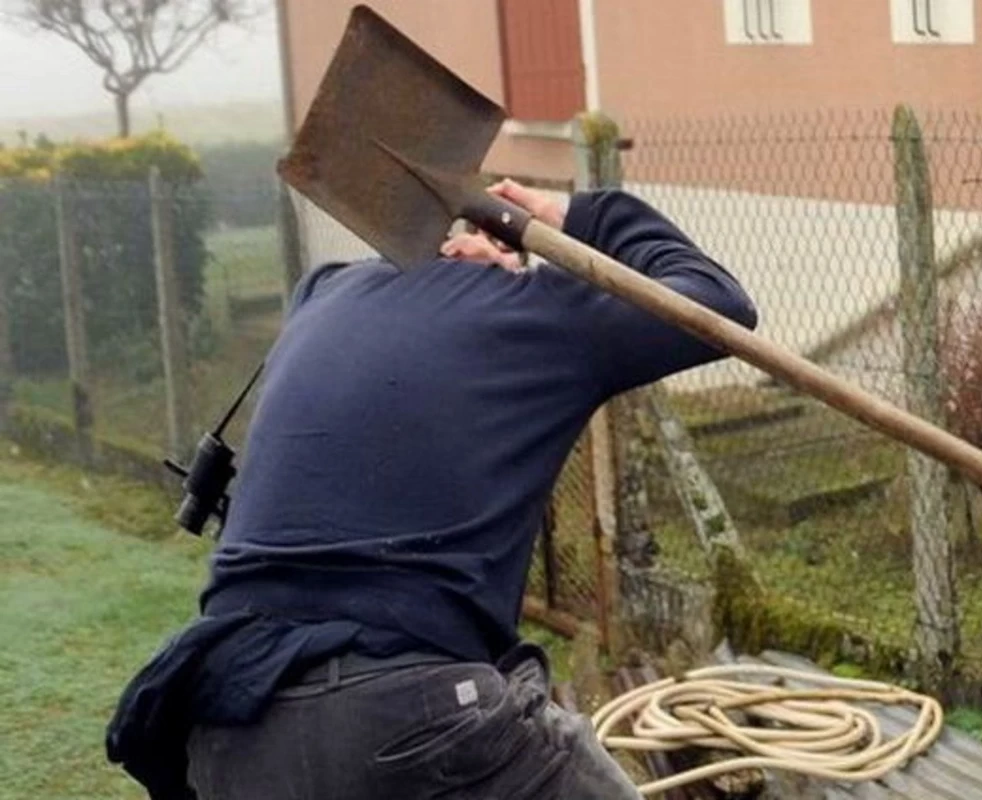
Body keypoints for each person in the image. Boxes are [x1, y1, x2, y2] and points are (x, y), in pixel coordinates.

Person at [106, 179, 758, 799]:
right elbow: (717, 304)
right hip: (400, 713)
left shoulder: (324, 296)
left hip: (223, 724)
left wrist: (439, 258)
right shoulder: (534, 314)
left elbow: (373, 296)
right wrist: (573, 218)